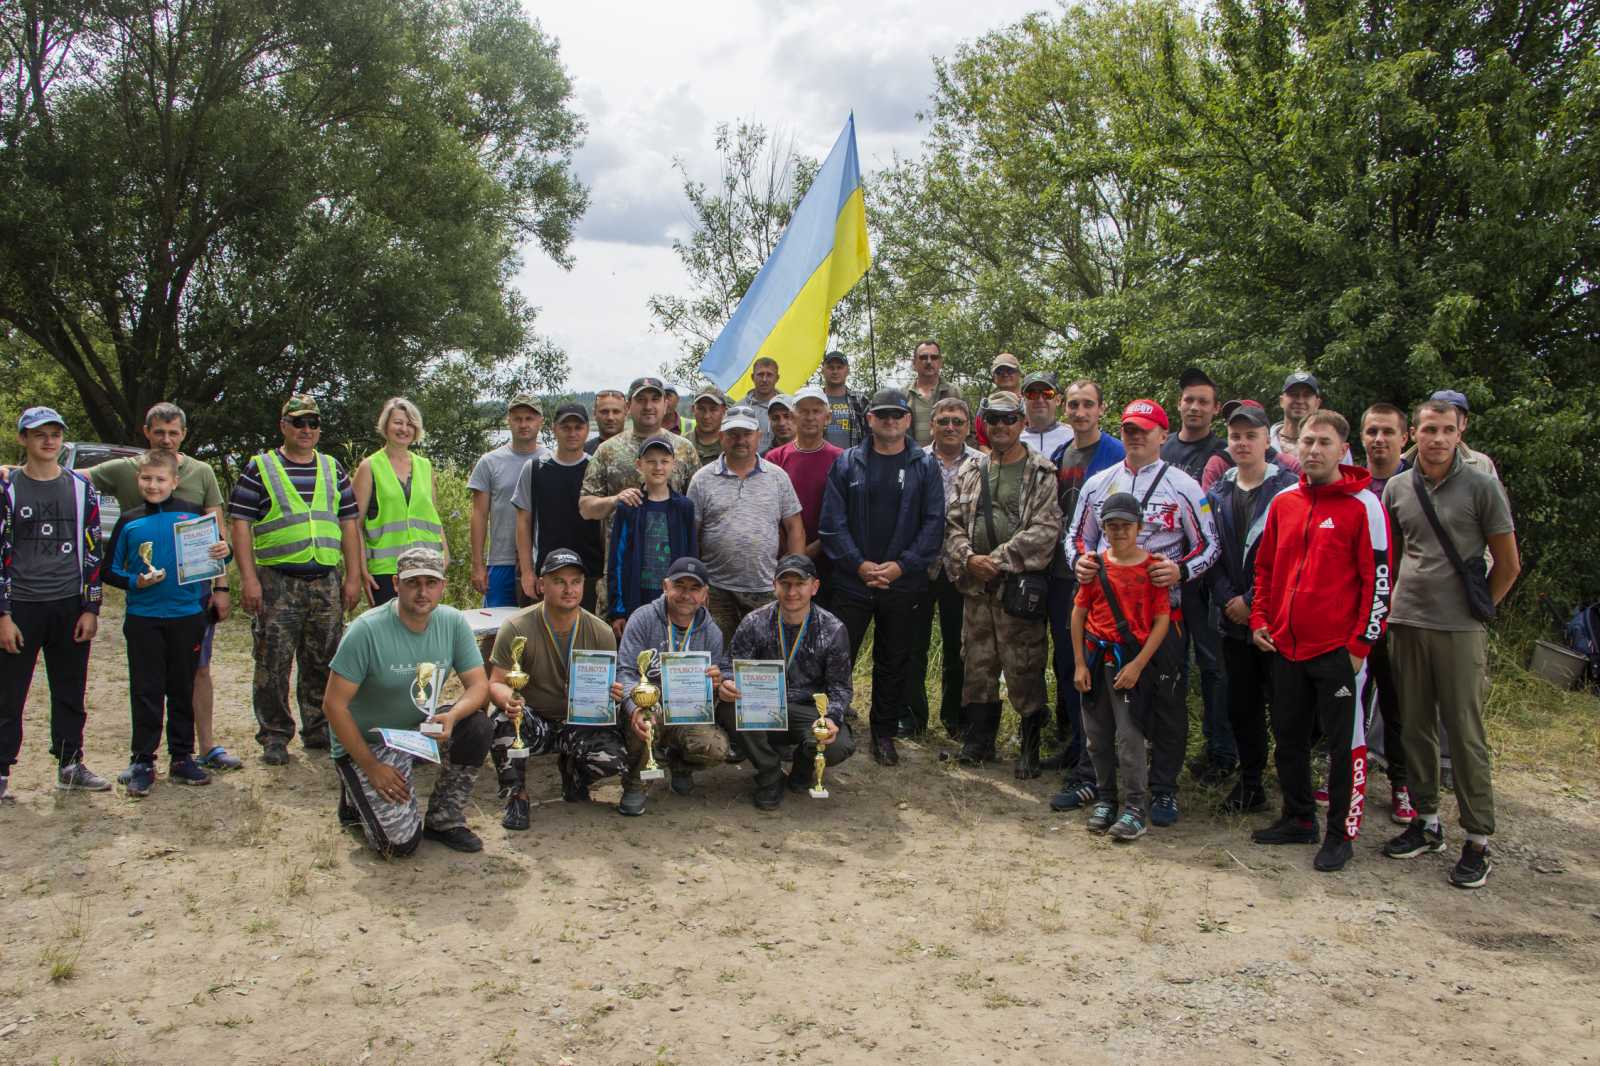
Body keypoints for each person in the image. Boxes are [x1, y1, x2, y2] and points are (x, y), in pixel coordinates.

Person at [1381, 398, 1520, 889]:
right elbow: (1394, 556)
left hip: (1460, 628)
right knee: (1415, 726)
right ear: (1413, 434)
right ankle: (1426, 821)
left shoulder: (1482, 485)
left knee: (1464, 733)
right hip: (1406, 621)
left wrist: (1480, 610)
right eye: (1428, 429)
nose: (1437, 439)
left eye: (1446, 430)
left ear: (1460, 432)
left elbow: (1508, 564)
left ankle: (1477, 839)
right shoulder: (1398, 487)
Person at [1248, 411, 1391, 874]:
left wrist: (1360, 647)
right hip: (1285, 645)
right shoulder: (1284, 501)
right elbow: (1266, 569)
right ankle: (1298, 818)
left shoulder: (1364, 505)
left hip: (1338, 651)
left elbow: (1379, 581)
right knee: (1288, 737)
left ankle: (1340, 834)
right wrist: (1260, 619)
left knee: (1343, 747)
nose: (1313, 450)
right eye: (1308, 441)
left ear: (1343, 450)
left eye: (1324, 442)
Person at [1064, 399, 1218, 826]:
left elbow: (1210, 544)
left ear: (1162, 436)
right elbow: (1075, 536)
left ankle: (1163, 789)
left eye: (1144, 430)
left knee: (1166, 704)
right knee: (1098, 704)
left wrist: (1181, 570)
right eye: (1129, 429)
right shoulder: (1099, 483)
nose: (1135, 436)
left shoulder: (1185, 486)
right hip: (1105, 617)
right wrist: (1079, 562)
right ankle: (1095, 783)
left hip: (1160, 617)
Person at [81, 401, 238, 772]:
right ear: (146, 433)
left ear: (183, 435)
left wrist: (222, 586)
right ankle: (143, 759)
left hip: (190, 601)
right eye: (159, 432)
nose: (166, 439)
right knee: (147, 684)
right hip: (146, 607)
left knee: (194, 674)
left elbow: (217, 534)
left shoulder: (200, 474)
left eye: (173, 433)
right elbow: (70, 476)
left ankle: (199, 749)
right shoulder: (125, 478)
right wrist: (14, 471)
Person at [324, 546, 494, 855]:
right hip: (370, 743)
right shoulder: (366, 630)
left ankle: (444, 818)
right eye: (413, 582)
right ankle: (353, 796)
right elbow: (333, 706)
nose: (422, 592)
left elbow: (479, 685)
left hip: (418, 733)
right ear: (396, 583)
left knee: (477, 726)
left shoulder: (453, 623)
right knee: (399, 846)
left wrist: (453, 716)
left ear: (443, 586)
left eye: (431, 583)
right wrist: (372, 767)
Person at [230, 394, 363, 765]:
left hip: (326, 581)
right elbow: (240, 524)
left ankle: (319, 727)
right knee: (272, 662)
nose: (306, 429)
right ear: (284, 425)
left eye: (313, 423)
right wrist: (249, 579)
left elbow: (349, 524)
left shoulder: (333, 468)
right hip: (277, 581)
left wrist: (353, 576)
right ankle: (274, 735)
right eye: (299, 422)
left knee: (324, 660)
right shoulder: (260, 467)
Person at [820, 388, 945, 766]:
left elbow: (933, 523)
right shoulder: (847, 462)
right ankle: (831, 725)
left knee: (894, 661)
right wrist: (859, 565)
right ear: (869, 419)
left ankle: (884, 732)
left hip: (902, 583)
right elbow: (832, 523)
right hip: (852, 581)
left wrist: (901, 566)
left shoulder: (925, 465)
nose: (889, 421)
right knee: (839, 659)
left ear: (908, 420)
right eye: (882, 415)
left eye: (897, 415)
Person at [942, 391, 1063, 776]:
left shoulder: (1041, 471)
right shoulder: (971, 469)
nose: (1000, 426)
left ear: (1022, 422)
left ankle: (1029, 747)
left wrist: (994, 561)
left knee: (1024, 665)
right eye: (993, 418)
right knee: (977, 664)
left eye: (1009, 418)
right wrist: (968, 559)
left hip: (1018, 588)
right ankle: (979, 741)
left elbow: (1045, 530)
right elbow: (953, 523)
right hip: (977, 588)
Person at [104, 449, 231, 795]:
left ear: (175, 481)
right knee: (146, 690)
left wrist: (225, 551)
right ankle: (142, 760)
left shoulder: (194, 515)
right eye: (146, 478)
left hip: (187, 616)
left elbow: (220, 554)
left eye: (160, 479)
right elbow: (109, 570)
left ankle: (182, 757)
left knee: (181, 688)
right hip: (143, 618)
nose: (153, 485)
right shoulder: (129, 521)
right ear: (138, 479)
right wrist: (135, 581)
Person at [0, 407, 109, 801]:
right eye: (39, 434)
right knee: (9, 694)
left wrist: (91, 608)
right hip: (21, 604)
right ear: (23, 439)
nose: (48, 441)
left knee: (70, 690)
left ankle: (70, 764)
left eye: (55, 434)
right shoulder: (7, 488)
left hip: (69, 603)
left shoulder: (80, 488)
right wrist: (3, 614)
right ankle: (1, 771)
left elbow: (94, 549)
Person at [487, 549, 624, 829]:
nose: (569, 589)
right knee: (502, 722)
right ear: (541, 585)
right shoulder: (516, 627)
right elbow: (496, 682)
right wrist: (509, 700)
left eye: (575, 581)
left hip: (578, 722)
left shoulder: (601, 632)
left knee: (615, 757)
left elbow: (608, 686)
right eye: (559, 581)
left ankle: (575, 776)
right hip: (533, 719)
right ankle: (516, 795)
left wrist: (613, 694)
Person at [1206, 401, 1298, 814]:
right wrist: (1229, 599)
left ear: (1266, 440)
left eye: (1251, 436)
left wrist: (1253, 600)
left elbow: (1292, 556)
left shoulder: (1289, 490)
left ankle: (1293, 791)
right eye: (1235, 436)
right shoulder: (1217, 492)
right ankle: (1250, 783)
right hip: (1231, 620)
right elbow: (1210, 552)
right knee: (1241, 706)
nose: (1242, 443)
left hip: (1277, 619)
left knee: (1286, 707)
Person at [1071, 491, 1173, 842]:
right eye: (1112, 526)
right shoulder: (1096, 566)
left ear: (1140, 527)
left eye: (1126, 526)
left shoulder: (1152, 569)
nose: (1119, 532)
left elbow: (1162, 621)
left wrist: (1138, 665)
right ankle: (1105, 798)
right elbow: (1078, 615)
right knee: (1097, 737)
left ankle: (1135, 807)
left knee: (1130, 738)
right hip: (1096, 662)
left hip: (1131, 664)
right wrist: (1080, 664)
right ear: (1104, 528)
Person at [719, 555, 855, 809]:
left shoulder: (832, 629)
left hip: (807, 710)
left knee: (837, 746)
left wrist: (832, 718)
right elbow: (729, 666)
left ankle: (803, 768)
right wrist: (726, 683)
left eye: (800, 584)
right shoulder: (754, 622)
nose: (792, 592)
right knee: (727, 707)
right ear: (774, 586)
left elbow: (840, 688)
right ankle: (769, 773)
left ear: (814, 587)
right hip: (763, 707)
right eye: (785, 584)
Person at [1045, 379, 1125, 794]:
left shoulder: (1116, 453)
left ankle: (1097, 761)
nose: (1080, 412)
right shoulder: (1061, 455)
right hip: (1063, 574)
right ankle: (1077, 745)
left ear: (1101, 409)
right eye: (1073, 405)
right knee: (1067, 662)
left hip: (1104, 578)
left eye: (1088, 404)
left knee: (1097, 667)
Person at [1160, 369, 1234, 785]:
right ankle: (1164, 744)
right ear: (1179, 404)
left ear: (1215, 409)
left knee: (1213, 668)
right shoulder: (1163, 447)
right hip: (1166, 578)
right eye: (1189, 399)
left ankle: (1220, 750)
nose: (1194, 407)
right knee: (1169, 663)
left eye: (1203, 401)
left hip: (1207, 577)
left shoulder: (1223, 452)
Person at [614, 557, 732, 814]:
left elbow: (715, 686)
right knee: (646, 719)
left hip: (687, 712)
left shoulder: (712, 632)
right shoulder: (643, 619)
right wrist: (634, 706)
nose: (686, 595)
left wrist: (716, 683)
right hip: (650, 707)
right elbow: (624, 672)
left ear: (705, 594)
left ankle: (679, 765)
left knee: (716, 747)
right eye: (679, 586)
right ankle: (635, 784)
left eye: (694, 588)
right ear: (665, 586)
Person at [688, 406, 805, 644]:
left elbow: (795, 528)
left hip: (766, 589)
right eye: (733, 434)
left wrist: (795, 577)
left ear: (758, 436)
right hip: (716, 590)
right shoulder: (702, 479)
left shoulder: (777, 477)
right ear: (722, 437)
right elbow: (691, 534)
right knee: (718, 656)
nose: (740, 440)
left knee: (766, 655)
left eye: (747, 434)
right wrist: (697, 584)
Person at [905, 396, 981, 738]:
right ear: (932, 425)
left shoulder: (982, 463)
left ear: (967, 427)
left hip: (962, 568)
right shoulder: (914, 459)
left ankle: (956, 718)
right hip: (920, 566)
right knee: (913, 645)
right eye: (944, 421)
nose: (950, 427)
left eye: (957, 421)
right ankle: (912, 717)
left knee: (958, 646)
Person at [1359, 402, 1414, 823]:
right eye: (1372, 431)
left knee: (1396, 702)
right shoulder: (1351, 484)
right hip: (1354, 612)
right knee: (1350, 700)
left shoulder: (1417, 485)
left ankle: (1402, 783)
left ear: (1404, 437)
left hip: (1400, 612)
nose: (1379, 439)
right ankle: (1348, 774)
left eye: (1388, 432)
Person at [354, 398, 446, 607]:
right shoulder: (369, 467)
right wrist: (361, 569)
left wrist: (445, 556)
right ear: (386, 425)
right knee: (388, 625)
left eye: (410, 424)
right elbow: (354, 525)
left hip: (427, 566)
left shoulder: (425, 466)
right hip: (386, 570)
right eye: (398, 422)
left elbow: (432, 516)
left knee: (424, 625)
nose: (404, 429)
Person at [514, 402, 604, 613]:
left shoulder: (596, 468)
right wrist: (527, 572)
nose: (572, 433)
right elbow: (523, 522)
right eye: (566, 427)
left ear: (587, 430)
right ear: (554, 429)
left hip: (589, 574)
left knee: (586, 632)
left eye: (578, 427)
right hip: (546, 573)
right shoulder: (535, 468)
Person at [606, 436, 698, 633]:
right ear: (639, 465)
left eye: (664, 461)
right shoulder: (629, 507)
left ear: (673, 464)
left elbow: (692, 556)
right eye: (651, 461)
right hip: (636, 599)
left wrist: (692, 598)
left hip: (675, 601)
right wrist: (617, 610)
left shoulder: (684, 507)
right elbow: (617, 560)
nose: (658, 467)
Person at [469, 395, 550, 607]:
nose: (523, 424)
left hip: (540, 562)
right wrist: (477, 565)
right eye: (517, 419)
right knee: (496, 623)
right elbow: (479, 514)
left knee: (538, 624)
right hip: (501, 560)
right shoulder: (490, 462)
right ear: (509, 421)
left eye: (529, 418)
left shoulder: (551, 461)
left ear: (540, 421)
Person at [764, 386, 844, 578]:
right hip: (783, 560)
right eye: (803, 411)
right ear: (793, 416)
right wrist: (792, 553)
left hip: (830, 557)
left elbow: (843, 515)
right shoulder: (774, 458)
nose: (810, 417)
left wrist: (811, 550)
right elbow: (768, 511)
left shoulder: (841, 459)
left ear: (828, 417)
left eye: (816, 411)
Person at [1269, 371, 1351, 463]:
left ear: (1317, 403)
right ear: (1281, 401)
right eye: (1294, 394)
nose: (1300, 401)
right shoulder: (1264, 442)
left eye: (1306, 395)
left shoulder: (1336, 445)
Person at [906, 340, 962, 446]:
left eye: (934, 357)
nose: (929, 361)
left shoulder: (955, 393)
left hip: (949, 455)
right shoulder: (903, 395)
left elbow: (970, 431)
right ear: (914, 363)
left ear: (940, 362)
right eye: (923, 357)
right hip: (912, 456)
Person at [819, 350, 868, 450]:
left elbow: (870, 433)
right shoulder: (815, 400)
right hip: (821, 457)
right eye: (831, 367)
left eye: (839, 367)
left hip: (853, 458)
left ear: (847, 371)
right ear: (823, 370)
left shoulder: (860, 400)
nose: (835, 371)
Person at [972, 352, 1022, 449]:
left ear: (1019, 374)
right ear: (994, 377)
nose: (1005, 374)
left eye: (1010, 370)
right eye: (999, 372)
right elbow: (982, 443)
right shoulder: (985, 407)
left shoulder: (1032, 402)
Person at [1018, 372, 1072, 457]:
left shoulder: (1073, 437)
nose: (1040, 399)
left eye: (1047, 393)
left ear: (1058, 400)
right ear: (1023, 400)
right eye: (1032, 394)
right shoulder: (1015, 441)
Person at [742, 356, 784, 453]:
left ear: (777, 378)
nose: (764, 379)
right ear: (752, 377)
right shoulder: (739, 408)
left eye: (769, 375)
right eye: (760, 374)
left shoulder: (789, 408)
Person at [689, 385, 728, 467]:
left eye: (713, 409)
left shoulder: (732, 446)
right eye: (701, 409)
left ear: (724, 410)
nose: (706, 416)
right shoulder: (681, 446)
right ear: (693, 409)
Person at [585, 389, 628, 455]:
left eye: (616, 412)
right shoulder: (582, 452)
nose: (610, 417)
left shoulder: (640, 451)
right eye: (604, 412)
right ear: (594, 414)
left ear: (625, 414)